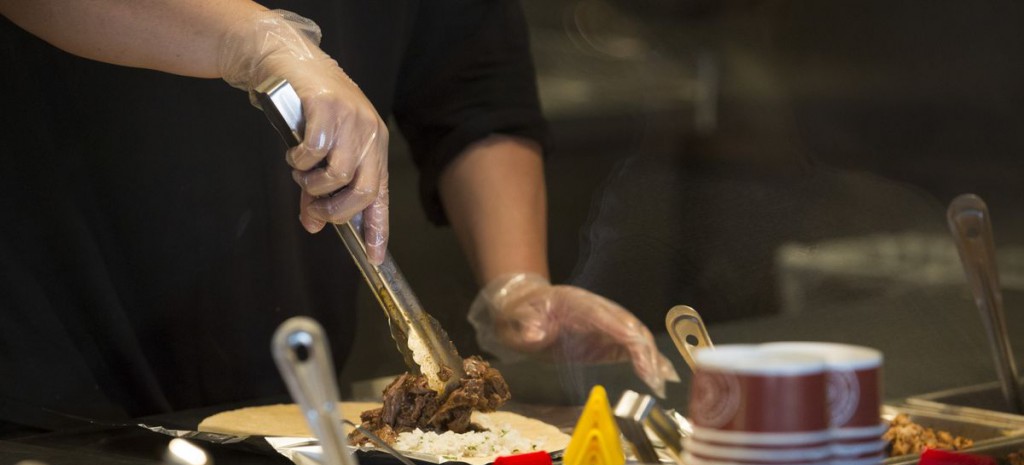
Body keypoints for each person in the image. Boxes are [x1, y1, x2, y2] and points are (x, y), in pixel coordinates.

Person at [0, 0, 676, 434]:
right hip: (53, 373)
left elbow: (473, 82)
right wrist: (257, 41)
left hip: (288, 406)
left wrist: (516, 283)